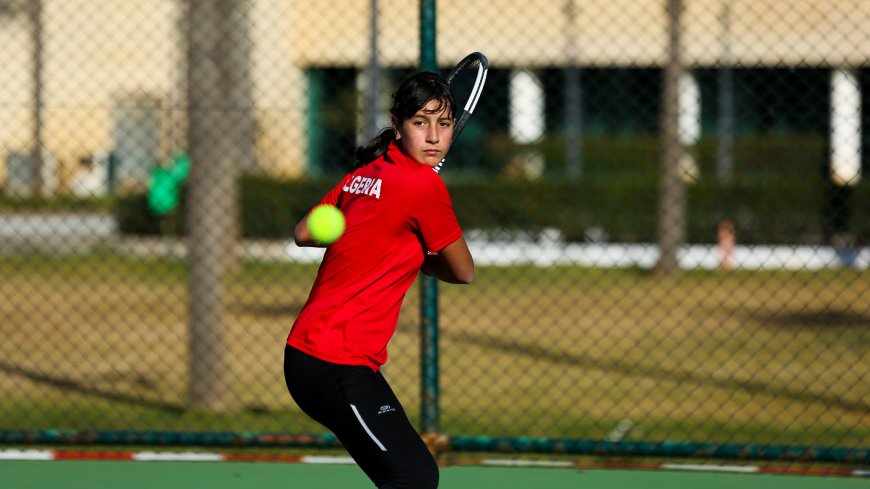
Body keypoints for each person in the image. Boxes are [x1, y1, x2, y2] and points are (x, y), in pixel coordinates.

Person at [284, 71, 474, 489]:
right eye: (420, 122)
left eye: (443, 124)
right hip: (333, 361)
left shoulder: (366, 174)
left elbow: (303, 233)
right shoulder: (425, 186)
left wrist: (372, 235)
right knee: (415, 477)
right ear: (397, 123)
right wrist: (422, 257)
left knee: (404, 476)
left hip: (314, 356)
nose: (433, 136)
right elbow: (463, 271)